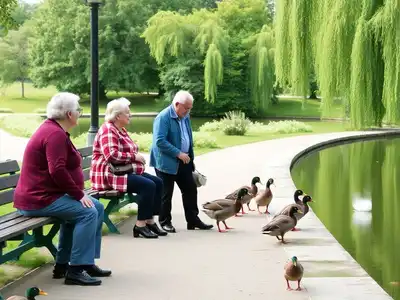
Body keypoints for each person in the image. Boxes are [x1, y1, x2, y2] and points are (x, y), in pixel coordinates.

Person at [14, 92, 111, 286]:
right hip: (38, 199)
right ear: (68, 114)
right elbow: (56, 170)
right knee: (88, 212)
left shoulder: (55, 130)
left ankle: (77, 263)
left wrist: (76, 193)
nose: (79, 113)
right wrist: (77, 194)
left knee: (97, 208)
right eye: (78, 110)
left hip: (48, 195)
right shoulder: (54, 134)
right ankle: (75, 270)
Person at [90, 98, 166, 239]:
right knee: (147, 185)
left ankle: (149, 221)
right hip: (109, 174)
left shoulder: (120, 129)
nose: (129, 115)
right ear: (118, 116)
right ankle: (140, 225)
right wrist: (133, 157)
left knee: (158, 182)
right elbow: (111, 155)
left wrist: (133, 156)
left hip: (122, 171)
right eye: (127, 113)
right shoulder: (108, 130)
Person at [150, 90, 213, 233]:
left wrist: (190, 157)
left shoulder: (185, 115)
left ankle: (193, 220)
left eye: (190, 108)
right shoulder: (163, 117)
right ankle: (165, 222)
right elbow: (159, 142)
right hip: (166, 162)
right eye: (186, 108)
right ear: (177, 104)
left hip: (184, 161)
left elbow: (187, 136)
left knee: (190, 189)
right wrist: (178, 153)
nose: (188, 111)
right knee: (166, 193)